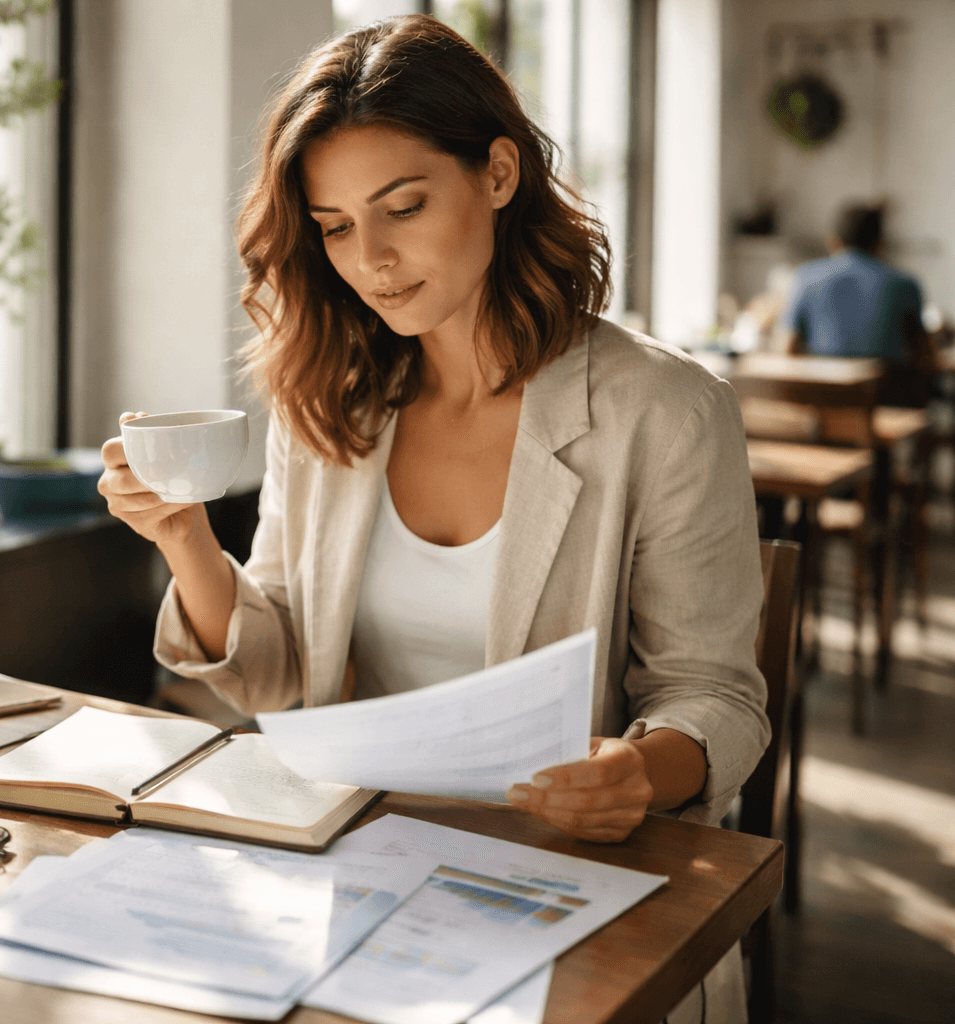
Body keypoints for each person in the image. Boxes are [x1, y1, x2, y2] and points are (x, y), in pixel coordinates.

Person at [98, 16, 766, 1024]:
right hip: (357, 870)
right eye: (331, 225)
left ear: (499, 174)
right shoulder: (333, 398)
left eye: (401, 206)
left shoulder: (663, 411)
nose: (369, 259)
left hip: (570, 881)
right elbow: (281, 679)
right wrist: (186, 540)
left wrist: (638, 769)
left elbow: (714, 695)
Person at [786, 202, 934, 405]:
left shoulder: (804, 279)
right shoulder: (905, 284)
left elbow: (787, 350)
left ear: (834, 242)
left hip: (824, 404)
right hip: (886, 403)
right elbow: (924, 355)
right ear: (880, 243)